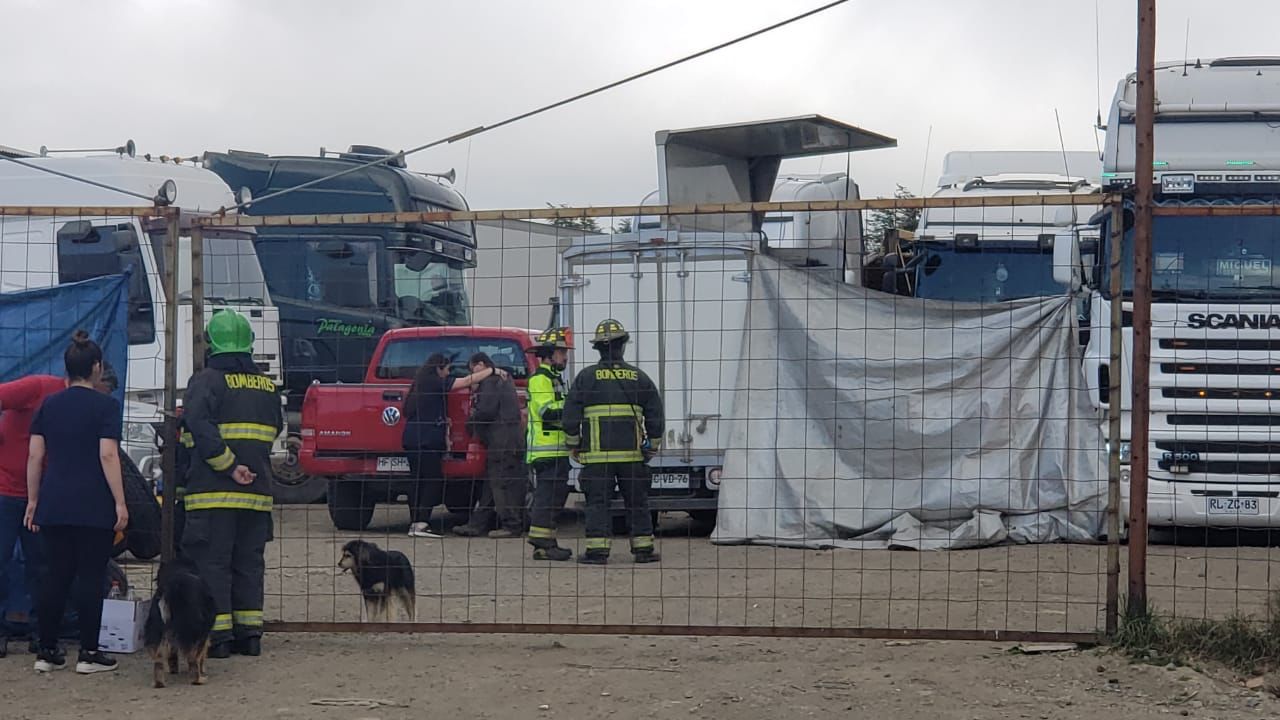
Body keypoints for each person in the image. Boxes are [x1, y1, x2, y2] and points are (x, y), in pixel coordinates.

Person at [179, 309, 282, 659]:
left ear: (212, 343)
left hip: (213, 493)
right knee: (249, 564)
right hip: (257, 495)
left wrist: (229, 466)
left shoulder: (206, 381)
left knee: (214, 564)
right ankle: (250, 634)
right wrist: (246, 466)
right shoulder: (267, 386)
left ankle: (218, 638)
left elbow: (198, 426)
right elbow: (273, 431)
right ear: (249, 345)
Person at [24, 332, 128, 674]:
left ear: (66, 368)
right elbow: (108, 454)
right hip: (93, 504)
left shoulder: (48, 405)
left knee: (55, 576)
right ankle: (88, 653)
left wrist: (34, 500)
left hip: (54, 501)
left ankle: (47, 651)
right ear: (97, 368)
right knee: (89, 576)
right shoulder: (106, 406)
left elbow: (36, 455)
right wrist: (120, 502)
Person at [561, 319, 664, 564]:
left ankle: (597, 552)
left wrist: (573, 444)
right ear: (623, 346)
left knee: (598, 503)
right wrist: (652, 446)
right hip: (632, 457)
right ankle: (644, 550)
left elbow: (570, 415)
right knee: (637, 503)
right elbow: (655, 414)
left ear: (598, 349)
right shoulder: (639, 377)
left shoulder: (587, 378)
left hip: (597, 458)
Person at [0, 373, 65, 658]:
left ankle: (42, 634)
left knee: (42, 567)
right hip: (5, 491)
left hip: (39, 494)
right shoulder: (39, 387)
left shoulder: (74, 404)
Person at [401, 353, 498, 538]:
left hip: (412, 440)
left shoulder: (419, 384)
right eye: (446, 369)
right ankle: (421, 523)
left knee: (416, 482)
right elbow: (464, 382)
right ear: (438, 368)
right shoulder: (434, 382)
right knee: (433, 481)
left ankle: (415, 523)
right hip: (426, 442)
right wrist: (491, 371)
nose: (447, 373)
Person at [453, 353, 526, 539]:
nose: (472, 376)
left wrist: (470, 422)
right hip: (510, 439)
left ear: (480, 364)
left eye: (472, 370)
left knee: (500, 484)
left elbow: (486, 410)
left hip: (501, 441)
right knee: (492, 483)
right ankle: (477, 524)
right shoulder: (504, 378)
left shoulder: (491, 381)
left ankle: (511, 525)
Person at [524, 328, 575, 561]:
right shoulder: (540, 379)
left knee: (554, 497)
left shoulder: (555, 379)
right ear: (549, 354)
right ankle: (542, 541)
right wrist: (575, 409)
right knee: (548, 498)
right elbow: (548, 412)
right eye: (561, 352)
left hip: (556, 449)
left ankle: (545, 546)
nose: (565, 357)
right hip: (546, 451)